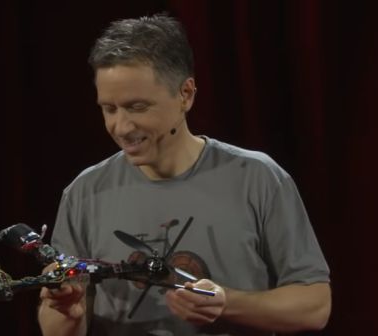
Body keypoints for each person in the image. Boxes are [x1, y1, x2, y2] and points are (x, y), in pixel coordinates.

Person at [38, 13, 331, 336]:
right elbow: (58, 327)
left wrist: (227, 303)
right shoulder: (83, 193)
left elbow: (315, 306)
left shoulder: (258, 178)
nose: (120, 127)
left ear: (186, 94)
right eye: (109, 109)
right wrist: (67, 312)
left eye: (137, 107)